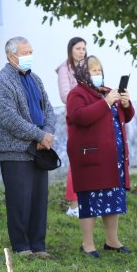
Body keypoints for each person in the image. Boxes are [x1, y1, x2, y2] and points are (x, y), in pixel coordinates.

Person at [0, 36, 56, 259]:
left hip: (39, 148)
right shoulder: (2, 81)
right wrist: (39, 134)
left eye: (31, 52)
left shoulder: (35, 79)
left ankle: (38, 245)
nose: (29, 56)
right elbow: (9, 118)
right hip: (15, 150)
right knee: (20, 200)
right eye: (25, 53)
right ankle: (22, 246)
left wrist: (46, 133)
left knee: (39, 198)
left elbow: (48, 108)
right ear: (11, 56)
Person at [66, 56, 133, 258]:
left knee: (113, 198)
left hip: (113, 159)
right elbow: (80, 117)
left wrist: (126, 103)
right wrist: (105, 103)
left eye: (99, 70)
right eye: (93, 70)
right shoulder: (76, 94)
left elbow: (126, 116)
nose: (97, 74)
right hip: (91, 158)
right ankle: (88, 244)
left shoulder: (107, 91)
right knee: (90, 199)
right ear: (82, 73)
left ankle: (112, 241)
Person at [55, 37, 86, 217]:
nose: (81, 52)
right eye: (78, 48)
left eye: (83, 48)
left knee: (90, 160)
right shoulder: (64, 69)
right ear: (70, 50)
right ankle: (74, 205)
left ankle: (87, 201)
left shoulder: (88, 66)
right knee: (77, 160)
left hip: (92, 117)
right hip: (75, 118)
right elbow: (65, 95)